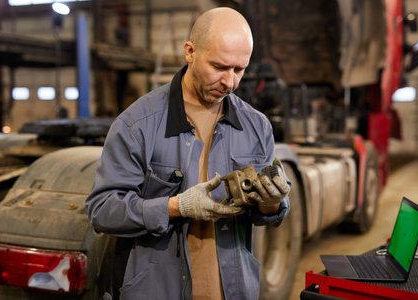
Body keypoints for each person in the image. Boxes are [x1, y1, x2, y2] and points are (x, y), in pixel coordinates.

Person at [86, 7, 290, 300]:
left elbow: (268, 216)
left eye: (239, 70)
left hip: (233, 291)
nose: (230, 82)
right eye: (219, 67)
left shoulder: (256, 126)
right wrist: (176, 207)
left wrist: (271, 203)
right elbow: (102, 210)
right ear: (190, 51)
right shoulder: (137, 125)